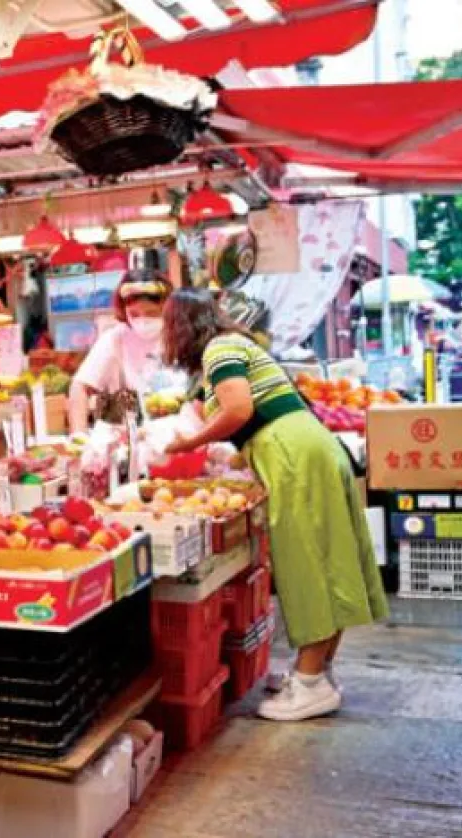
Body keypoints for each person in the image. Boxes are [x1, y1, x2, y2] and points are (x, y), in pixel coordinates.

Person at [161, 289, 387, 722]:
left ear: (182, 327)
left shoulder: (219, 348)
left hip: (294, 455)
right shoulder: (236, 344)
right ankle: (315, 674)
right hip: (306, 446)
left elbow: (239, 409)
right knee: (329, 557)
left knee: (309, 563)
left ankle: (308, 684)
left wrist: (189, 442)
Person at [68, 271, 176, 434]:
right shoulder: (115, 338)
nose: (143, 320)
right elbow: (80, 386)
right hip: (131, 439)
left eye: (152, 313)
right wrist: (78, 435)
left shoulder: (180, 335)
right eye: (134, 314)